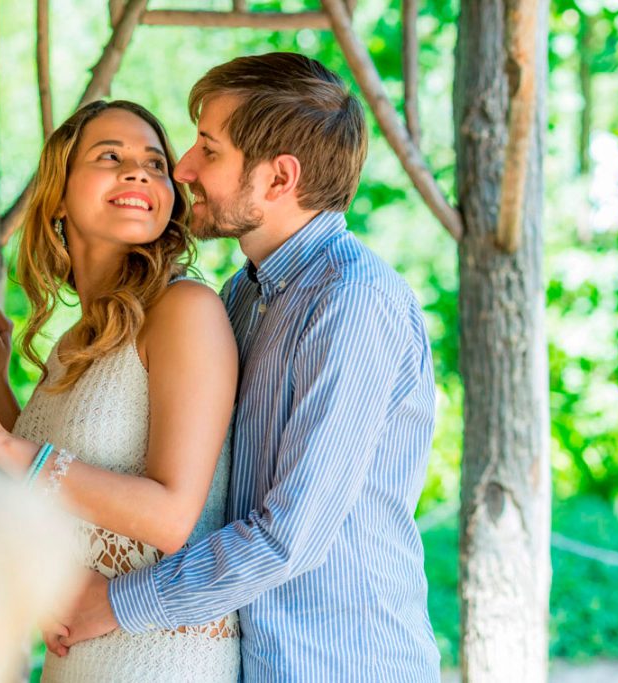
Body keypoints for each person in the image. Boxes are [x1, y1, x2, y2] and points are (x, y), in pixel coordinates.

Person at [52, 53, 442, 681]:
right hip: (243, 659)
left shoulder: (353, 303)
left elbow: (289, 536)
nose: (183, 169)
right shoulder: (241, 295)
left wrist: (116, 605)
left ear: (279, 179)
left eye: (209, 149)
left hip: (343, 665)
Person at [0, 99, 241, 681]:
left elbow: (171, 517)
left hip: (164, 662)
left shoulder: (185, 309)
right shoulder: (76, 340)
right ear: (59, 195)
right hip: (79, 663)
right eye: (109, 156)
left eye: (155, 163)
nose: (139, 171)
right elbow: (55, 481)